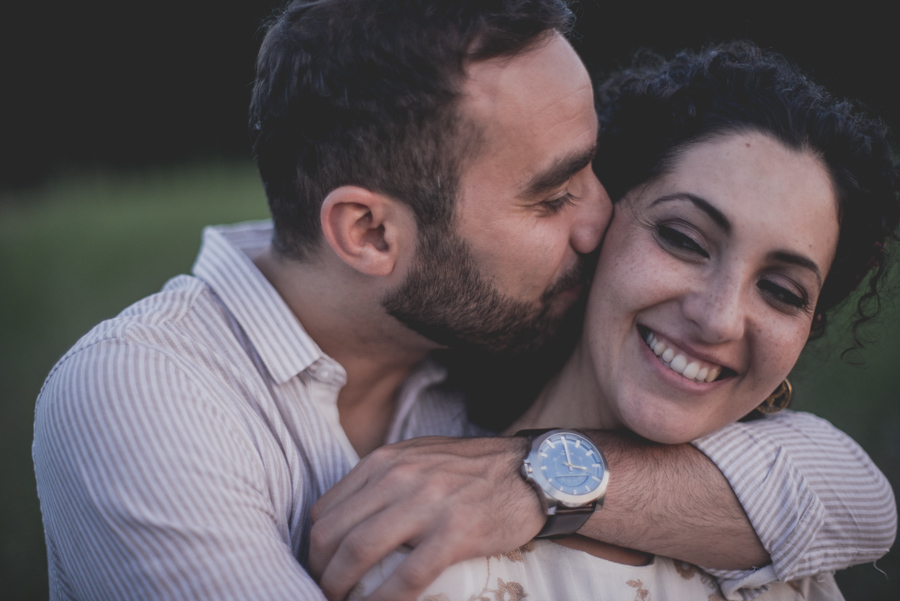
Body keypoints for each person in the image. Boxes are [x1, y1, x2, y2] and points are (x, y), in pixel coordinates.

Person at [31, 2, 894, 600]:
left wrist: (544, 479)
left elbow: (850, 494)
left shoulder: (493, 326)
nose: (600, 219)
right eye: (551, 196)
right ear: (370, 234)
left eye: (592, 167)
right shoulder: (146, 392)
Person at [343, 41, 900, 600]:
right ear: (597, 221)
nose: (719, 318)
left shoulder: (791, 559)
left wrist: (534, 476)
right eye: (683, 240)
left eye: (781, 291)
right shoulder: (426, 543)